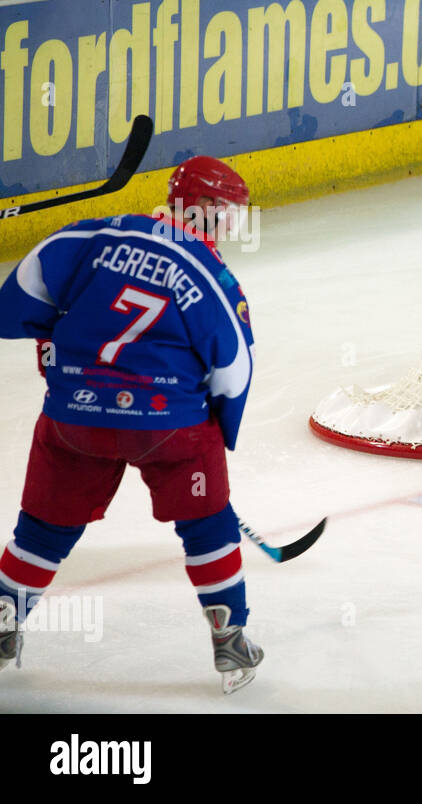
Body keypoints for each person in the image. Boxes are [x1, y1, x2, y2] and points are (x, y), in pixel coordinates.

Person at [0, 155, 262, 694]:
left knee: (44, 530)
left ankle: (2, 625)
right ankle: (230, 636)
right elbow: (233, 373)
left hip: (75, 420)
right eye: (231, 213)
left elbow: (18, 301)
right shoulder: (213, 275)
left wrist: (58, 349)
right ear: (209, 209)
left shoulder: (94, 235)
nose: (234, 227)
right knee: (208, 524)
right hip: (169, 427)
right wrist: (217, 432)